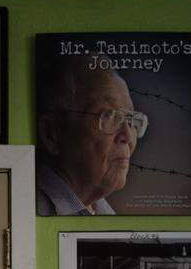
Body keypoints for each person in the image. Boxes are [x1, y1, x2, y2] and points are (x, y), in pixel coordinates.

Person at [35, 58, 148, 216]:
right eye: (109, 116)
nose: (128, 136)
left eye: (131, 119)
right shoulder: (26, 209)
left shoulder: (107, 215)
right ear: (51, 133)